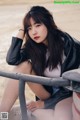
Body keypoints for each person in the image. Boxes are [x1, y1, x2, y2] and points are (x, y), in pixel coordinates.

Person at [0, 6, 80, 120]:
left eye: (38, 25)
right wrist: (22, 30)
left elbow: (71, 85)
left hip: (66, 94)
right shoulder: (33, 46)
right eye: (29, 28)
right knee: (23, 66)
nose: (33, 32)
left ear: (48, 23)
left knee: (61, 118)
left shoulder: (70, 46)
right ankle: (2, 114)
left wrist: (44, 104)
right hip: (46, 92)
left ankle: (32, 111)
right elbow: (12, 59)